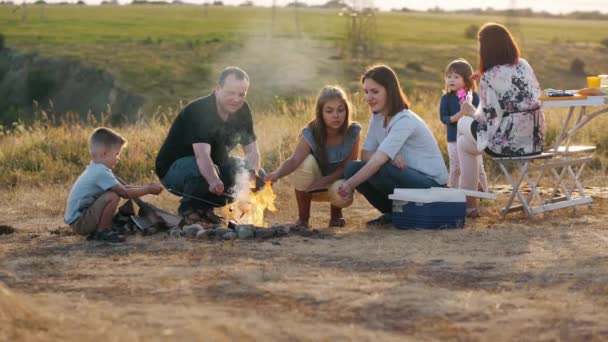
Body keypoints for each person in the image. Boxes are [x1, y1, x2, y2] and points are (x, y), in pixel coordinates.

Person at [338, 65, 448, 226]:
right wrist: (389, 157)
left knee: (378, 168)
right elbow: (366, 155)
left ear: (390, 91)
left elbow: (376, 161)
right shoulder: (377, 118)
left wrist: (349, 185)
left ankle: (412, 213)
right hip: (406, 177)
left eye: (375, 92)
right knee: (352, 168)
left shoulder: (404, 120)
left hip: (431, 185)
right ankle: (394, 213)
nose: (369, 97)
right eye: (366, 92)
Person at [457, 23, 545, 217]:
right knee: (463, 144)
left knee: (463, 125)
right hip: (535, 140)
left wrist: (471, 111)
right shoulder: (524, 64)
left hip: (508, 145)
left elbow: (487, 118)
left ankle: (469, 204)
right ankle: (470, 201)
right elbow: (530, 94)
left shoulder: (489, 76)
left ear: (486, 48)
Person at [155, 66, 261, 224]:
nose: (236, 99)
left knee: (252, 174)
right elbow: (202, 156)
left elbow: (252, 151)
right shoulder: (201, 111)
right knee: (205, 172)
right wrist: (213, 180)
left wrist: (251, 174)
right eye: (230, 93)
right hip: (175, 170)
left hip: (212, 165)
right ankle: (189, 210)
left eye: (241, 94)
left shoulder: (242, 110)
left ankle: (204, 209)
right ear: (218, 88)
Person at [265, 85, 360, 228]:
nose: (336, 115)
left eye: (341, 110)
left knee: (344, 181)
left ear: (347, 111)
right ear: (320, 113)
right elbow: (294, 160)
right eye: (329, 111)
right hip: (311, 187)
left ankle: (336, 214)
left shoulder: (353, 132)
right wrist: (277, 174)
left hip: (337, 186)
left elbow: (348, 166)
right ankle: (303, 219)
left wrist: (325, 180)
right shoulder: (311, 132)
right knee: (305, 162)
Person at [64, 127, 164, 242]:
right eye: (117, 154)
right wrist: (148, 189)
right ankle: (102, 232)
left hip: (80, 219)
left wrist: (146, 186)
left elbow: (123, 188)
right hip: (80, 222)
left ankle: (102, 228)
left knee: (113, 192)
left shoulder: (98, 168)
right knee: (113, 195)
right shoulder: (100, 172)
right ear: (104, 153)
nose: (118, 158)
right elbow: (124, 193)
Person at [439, 58, 488, 191]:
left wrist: (468, 107)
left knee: (479, 168)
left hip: (471, 139)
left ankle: (484, 194)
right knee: (455, 168)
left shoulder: (474, 97)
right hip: (453, 140)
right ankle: (454, 194)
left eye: (456, 77)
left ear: (466, 79)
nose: (451, 80)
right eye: (449, 77)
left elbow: (479, 117)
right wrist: (460, 114)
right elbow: (444, 119)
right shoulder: (446, 98)